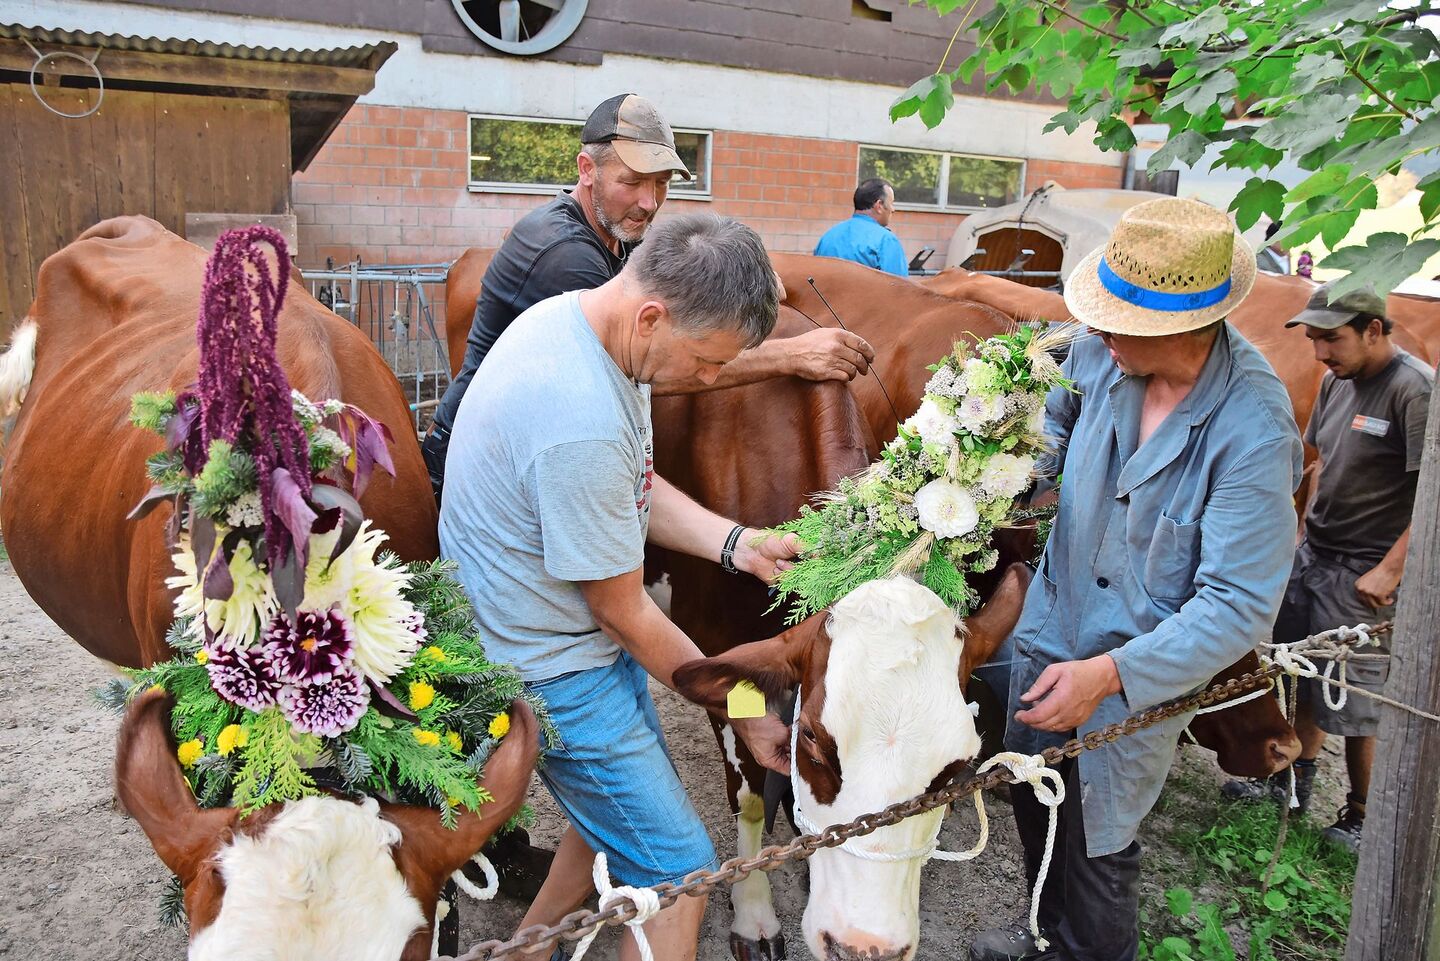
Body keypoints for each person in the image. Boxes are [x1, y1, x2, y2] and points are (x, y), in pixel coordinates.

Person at [439, 214, 797, 961]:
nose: (709, 379)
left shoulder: (584, 328)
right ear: (652, 316)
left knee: (613, 817)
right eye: (706, 360)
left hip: (565, 631)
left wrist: (737, 544)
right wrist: (745, 709)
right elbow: (625, 612)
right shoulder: (579, 417)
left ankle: (528, 949)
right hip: (548, 667)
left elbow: (632, 483)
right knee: (679, 873)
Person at [969, 198, 1304, 961]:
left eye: (1119, 322)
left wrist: (1110, 674)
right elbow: (1053, 430)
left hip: (1135, 678)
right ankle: (1044, 934)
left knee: (1099, 837)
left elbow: (1238, 607)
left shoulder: (1252, 431)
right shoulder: (1101, 354)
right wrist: (1003, 477)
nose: (1097, 331)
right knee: (1033, 791)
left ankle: (1087, 947)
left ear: (1188, 326)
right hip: (1050, 630)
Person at [423, 93, 875, 500]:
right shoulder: (566, 254)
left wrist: (749, 276)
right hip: (481, 463)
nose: (650, 202)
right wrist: (791, 355)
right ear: (587, 169)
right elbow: (637, 371)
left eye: (661, 183)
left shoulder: (616, 231)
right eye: (633, 181)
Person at [1221, 283, 1433, 851]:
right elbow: (1319, 465)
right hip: (1316, 552)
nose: (1319, 353)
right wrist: (1298, 532)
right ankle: (1291, 785)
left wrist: (1391, 570)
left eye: (1331, 339)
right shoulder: (1338, 381)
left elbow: (1435, 496)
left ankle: (1362, 816)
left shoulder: (1415, 390)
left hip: (1366, 569)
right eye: (1314, 339)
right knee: (1299, 673)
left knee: (1357, 699)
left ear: (1373, 329)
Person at [813, 177, 909, 276]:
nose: (893, 209)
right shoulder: (886, 240)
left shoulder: (827, 237)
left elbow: (814, 279)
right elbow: (899, 284)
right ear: (879, 205)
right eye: (891, 203)